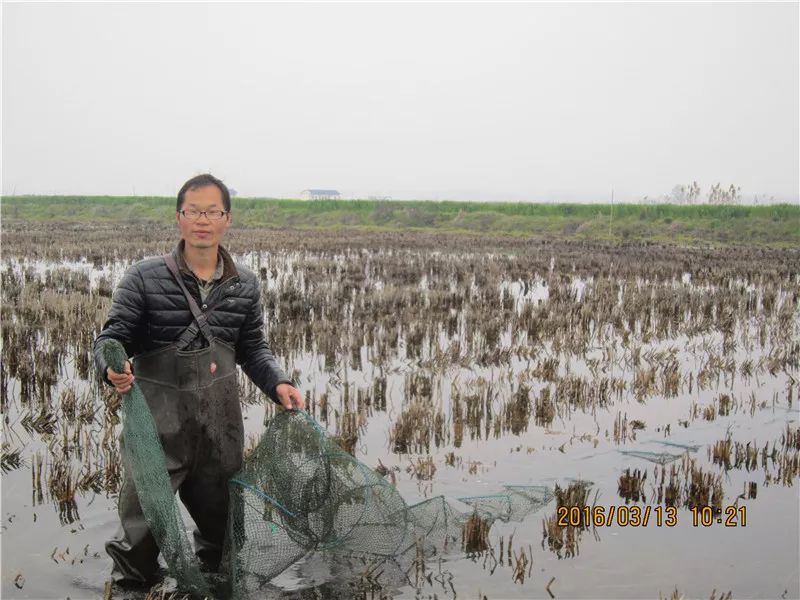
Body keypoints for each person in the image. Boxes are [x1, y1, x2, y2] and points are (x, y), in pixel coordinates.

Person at [93, 173, 305, 588]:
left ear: (227, 218)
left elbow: (253, 349)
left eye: (213, 211)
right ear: (179, 217)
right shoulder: (144, 278)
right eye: (194, 211)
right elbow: (111, 336)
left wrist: (278, 382)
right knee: (139, 541)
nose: (203, 220)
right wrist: (110, 366)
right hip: (156, 434)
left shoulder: (245, 285)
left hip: (218, 435)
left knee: (224, 539)